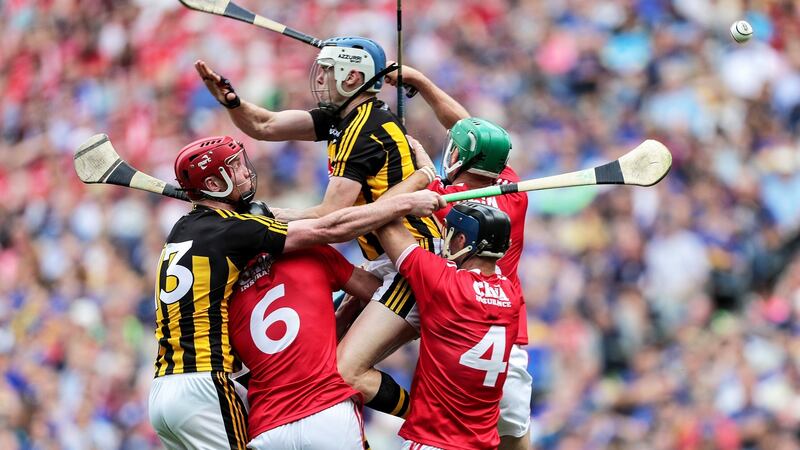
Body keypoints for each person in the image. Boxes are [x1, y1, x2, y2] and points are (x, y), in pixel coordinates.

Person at [147, 135, 444, 450]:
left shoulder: (184, 234)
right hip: (211, 384)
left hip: (167, 392)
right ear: (213, 183)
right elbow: (329, 229)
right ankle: (429, 416)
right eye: (234, 169)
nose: (246, 172)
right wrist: (408, 200)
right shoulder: (243, 234)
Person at [195, 37, 440, 418]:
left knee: (347, 370)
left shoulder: (366, 128)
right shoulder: (340, 120)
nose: (320, 78)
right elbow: (264, 124)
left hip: (413, 262)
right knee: (313, 350)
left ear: (353, 76)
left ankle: (431, 421)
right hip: (383, 263)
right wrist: (232, 102)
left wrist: (259, 218)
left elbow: (332, 219)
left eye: (329, 71)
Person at [386, 65, 534, 450]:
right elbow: (472, 132)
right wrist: (421, 82)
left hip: (451, 319)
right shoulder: (514, 194)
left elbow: (388, 219)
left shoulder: (440, 199)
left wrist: (417, 169)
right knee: (514, 437)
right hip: (505, 334)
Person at [375, 201, 521, 449]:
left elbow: (384, 222)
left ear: (462, 240)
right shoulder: (512, 294)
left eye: (451, 234)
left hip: (435, 440)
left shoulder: (444, 281)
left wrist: (413, 198)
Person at [228, 244, 381, 450]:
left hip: (268, 427)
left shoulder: (227, 291)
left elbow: (286, 350)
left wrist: (341, 317)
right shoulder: (312, 252)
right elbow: (382, 295)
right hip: (327, 411)